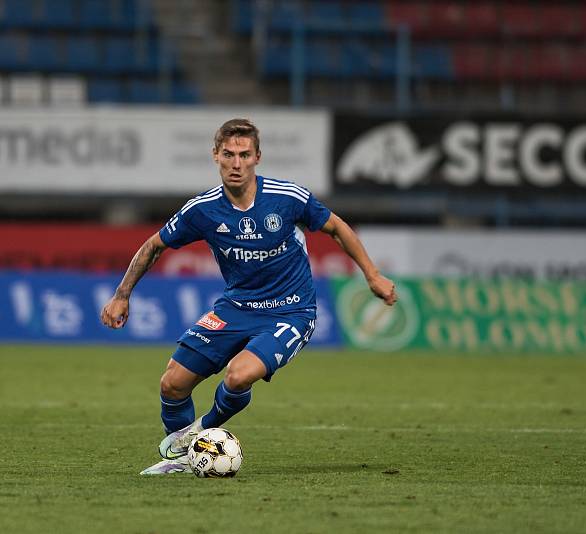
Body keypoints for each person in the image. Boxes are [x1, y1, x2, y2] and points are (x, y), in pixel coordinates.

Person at [101, 118, 397, 474]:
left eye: (244, 155)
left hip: (292, 311)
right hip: (236, 307)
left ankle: (199, 435)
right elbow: (154, 246)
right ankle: (181, 459)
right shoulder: (203, 210)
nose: (236, 163)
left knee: (239, 376)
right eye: (228, 154)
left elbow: (336, 227)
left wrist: (372, 274)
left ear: (258, 157)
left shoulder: (288, 198)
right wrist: (122, 295)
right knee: (173, 382)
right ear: (215, 156)